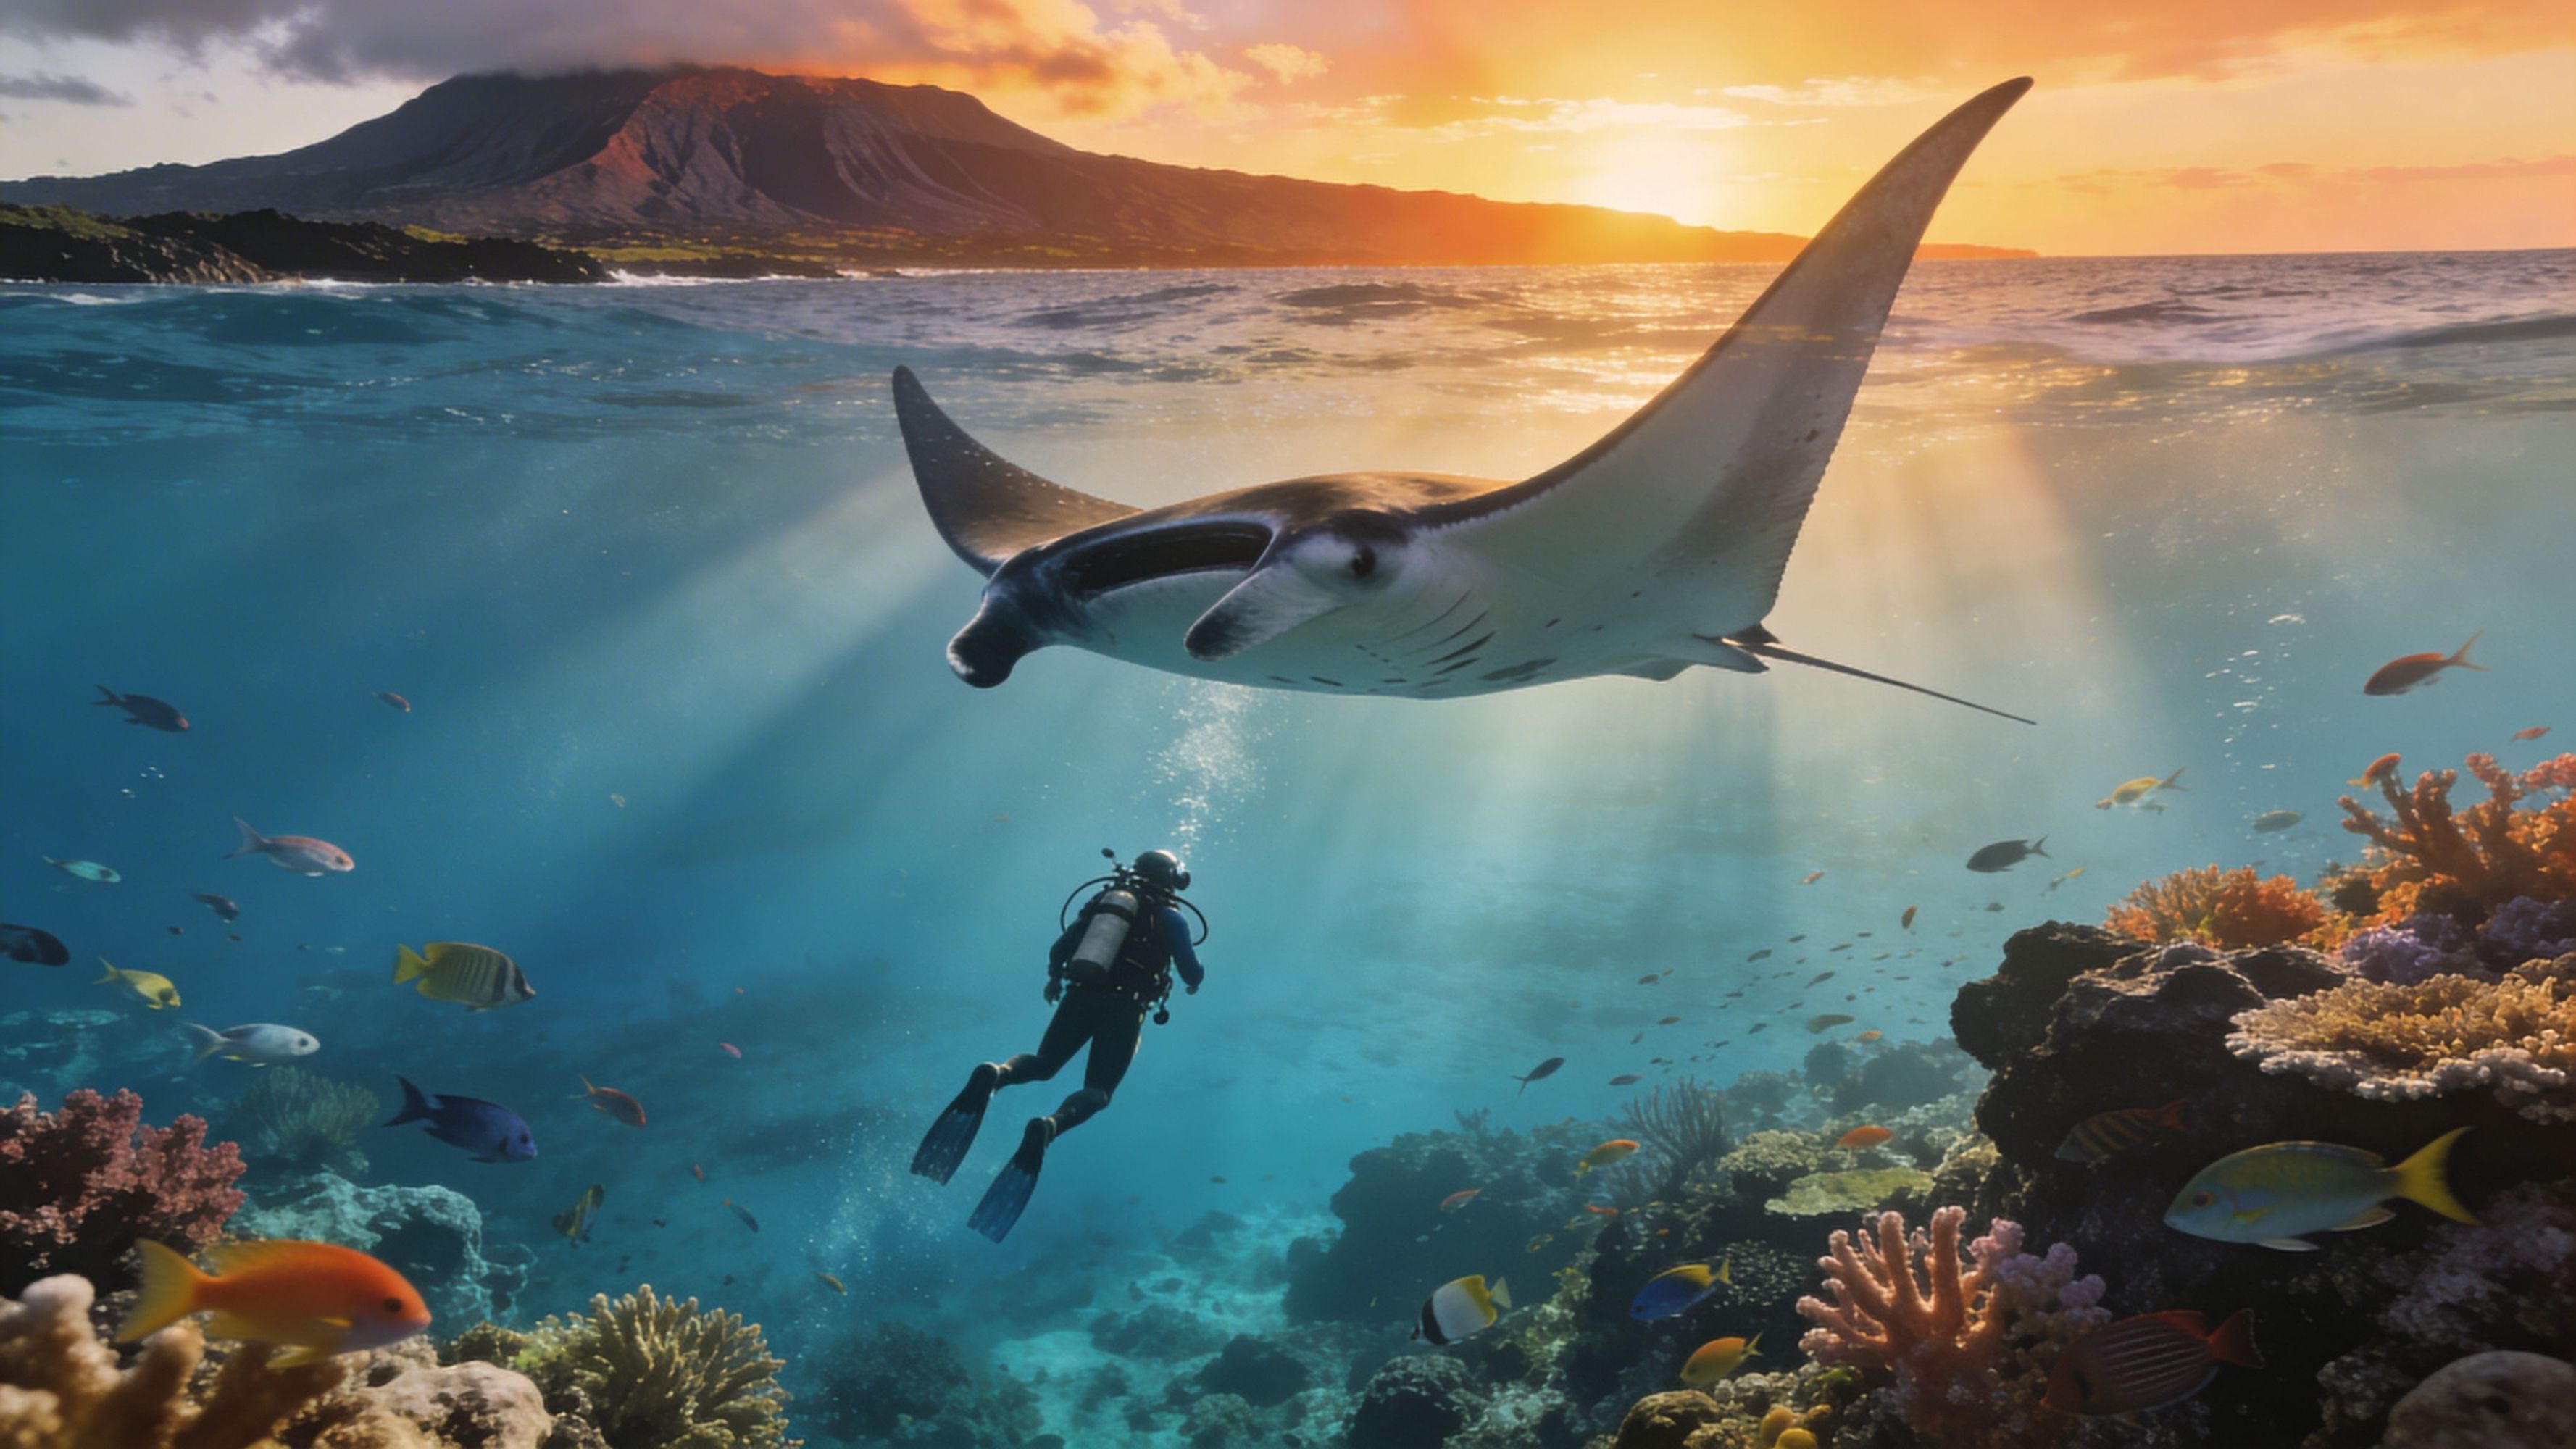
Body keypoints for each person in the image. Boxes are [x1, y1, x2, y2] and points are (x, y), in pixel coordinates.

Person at [912, 848, 1205, 1241]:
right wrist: (1194, 978)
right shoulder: (1170, 916)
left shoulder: (1105, 902)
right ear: (1174, 880)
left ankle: (996, 1074)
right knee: (1099, 1091)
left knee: (1043, 1063)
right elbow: (1190, 968)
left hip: (1080, 994)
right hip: (1125, 1007)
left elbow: (1061, 948)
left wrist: (1055, 979)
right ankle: (1049, 1127)